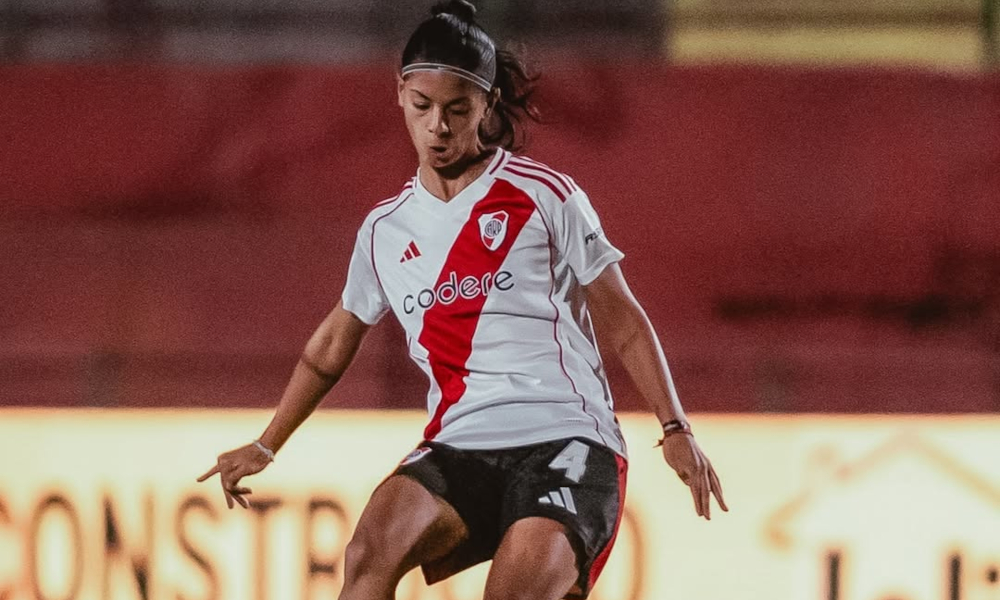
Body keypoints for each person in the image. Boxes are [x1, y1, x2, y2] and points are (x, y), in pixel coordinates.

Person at [198, 2, 727, 599]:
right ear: (400, 94)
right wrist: (268, 441)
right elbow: (331, 346)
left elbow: (623, 320)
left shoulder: (543, 195)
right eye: (423, 107)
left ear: (488, 104)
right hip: (459, 444)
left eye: (457, 109)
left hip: (566, 438)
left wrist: (675, 426)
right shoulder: (384, 230)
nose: (438, 128)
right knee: (368, 551)